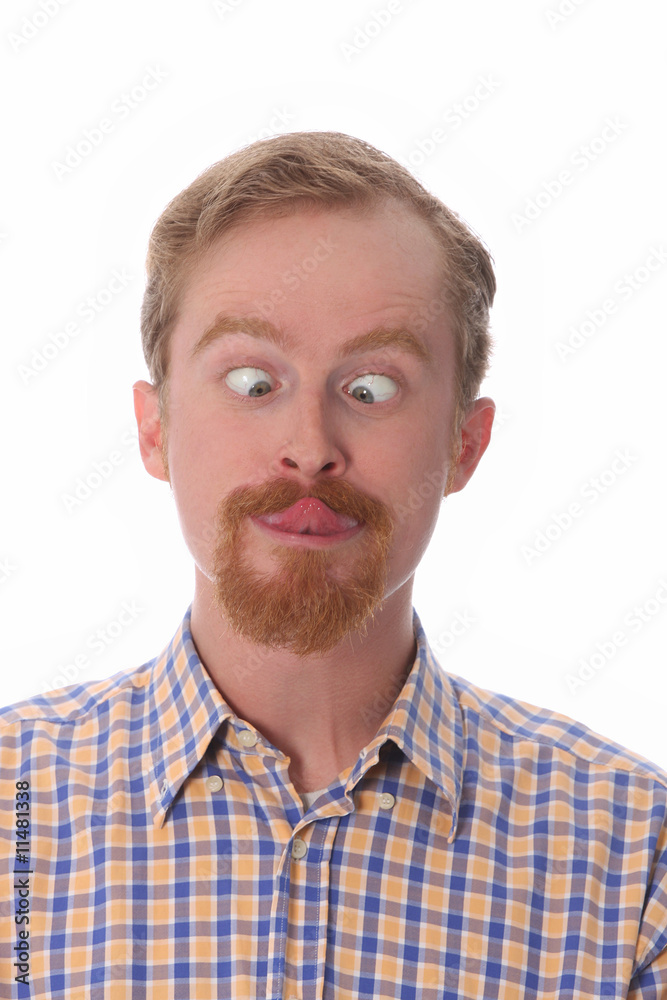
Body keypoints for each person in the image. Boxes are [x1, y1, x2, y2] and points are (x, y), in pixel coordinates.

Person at [1, 131, 665, 999]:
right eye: (252, 382)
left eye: (371, 389)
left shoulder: (634, 856)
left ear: (465, 445)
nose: (309, 447)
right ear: (154, 428)